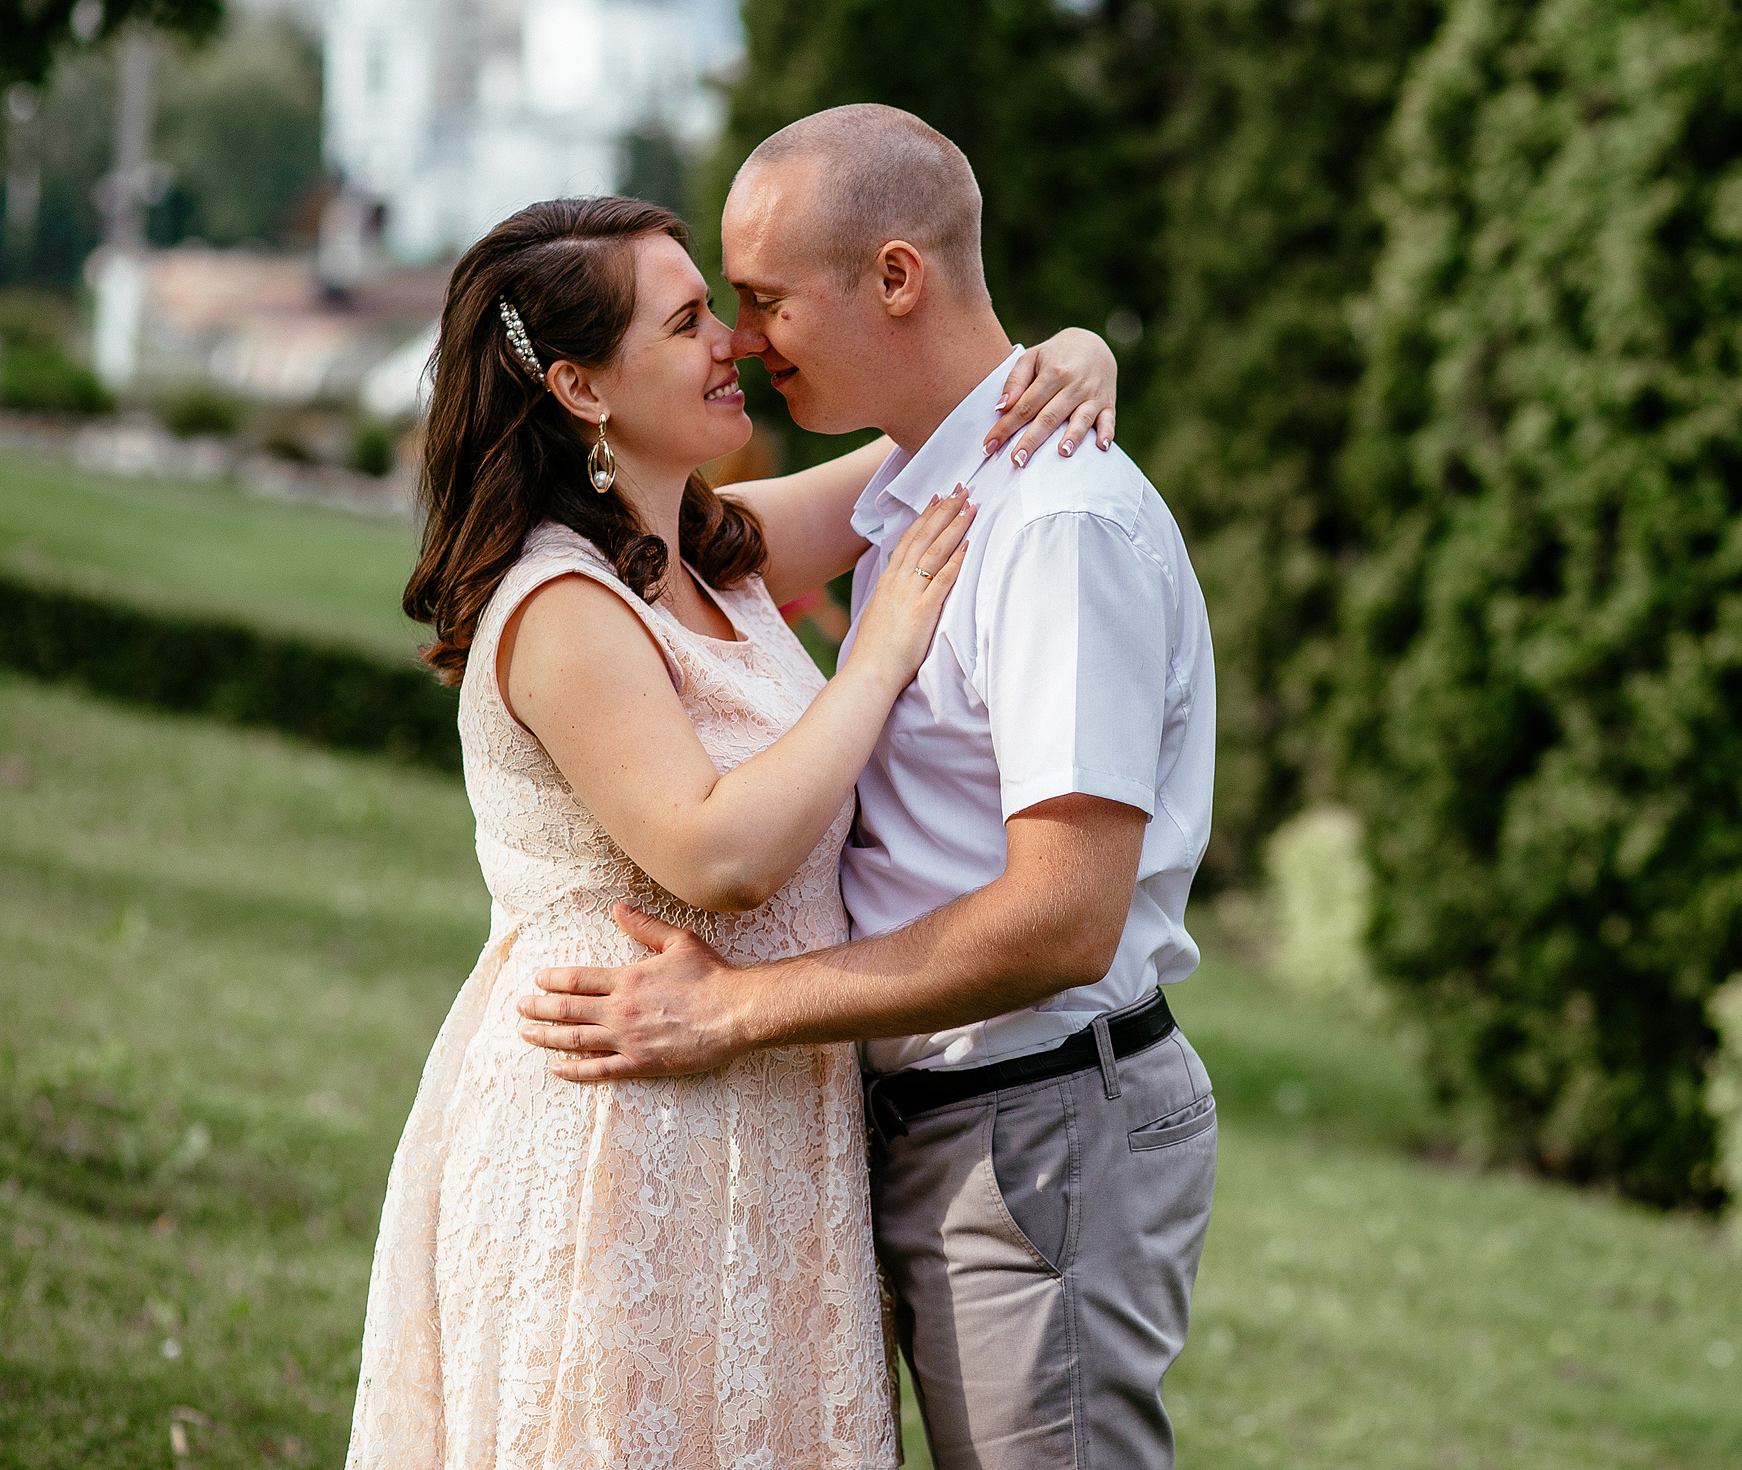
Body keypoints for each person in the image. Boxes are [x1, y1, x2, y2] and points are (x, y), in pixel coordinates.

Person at [345, 192, 1122, 1470]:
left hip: (758, 1107)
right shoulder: (561, 601)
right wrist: (874, 656)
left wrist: (1076, 355)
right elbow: (715, 851)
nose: (737, 344)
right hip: (617, 1126)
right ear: (586, 386)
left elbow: (947, 441)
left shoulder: (710, 550)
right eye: (691, 319)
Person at [517, 105, 1221, 1470]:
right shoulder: (926, 480)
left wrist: (734, 1011)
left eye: (766, 299)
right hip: (933, 1124)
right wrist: (1070, 346)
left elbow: (1065, 918)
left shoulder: (1053, 522)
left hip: (1037, 1127)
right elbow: (675, 551)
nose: (743, 337)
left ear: (896, 276)